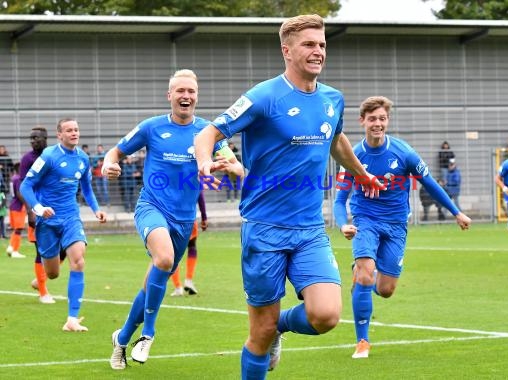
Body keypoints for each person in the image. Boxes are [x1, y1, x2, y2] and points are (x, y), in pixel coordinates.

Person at [194, 14, 380, 379]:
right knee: (258, 334)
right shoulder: (264, 96)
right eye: (309, 44)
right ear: (287, 50)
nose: (318, 51)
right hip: (264, 230)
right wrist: (203, 160)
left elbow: (336, 140)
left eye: (322, 45)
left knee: (326, 316)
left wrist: (362, 173)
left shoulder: (333, 99)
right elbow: (210, 132)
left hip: (309, 229)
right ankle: (270, 329)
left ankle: (281, 324)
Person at [104, 69, 243, 370]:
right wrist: (108, 165)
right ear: (170, 96)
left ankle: (123, 337)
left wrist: (230, 167)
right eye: (180, 91)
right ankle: (148, 335)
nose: (186, 96)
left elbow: (235, 165)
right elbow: (115, 152)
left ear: (197, 96)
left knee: (151, 285)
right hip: (151, 207)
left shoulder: (208, 131)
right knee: (164, 259)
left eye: (191, 91)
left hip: (183, 219)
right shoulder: (152, 127)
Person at [334, 96, 472, 359]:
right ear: (362, 121)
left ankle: (364, 274)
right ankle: (362, 341)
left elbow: (430, 183)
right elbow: (340, 200)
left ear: (388, 121)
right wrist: (343, 224)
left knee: (385, 290)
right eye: (372, 119)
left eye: (382, 119)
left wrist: (456, 212)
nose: (377, 124)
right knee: (365, 274)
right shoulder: (353, 157)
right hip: (366, 220)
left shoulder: (404, 152)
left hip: (397, 224)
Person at [20, 118, 107, 331]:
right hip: (47, 220)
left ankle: (72, 319)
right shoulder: (49, 156)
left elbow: (86, 187)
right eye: (69, 130)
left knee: (78, 260)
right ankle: (42, 279)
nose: (74, 133)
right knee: (53, 273)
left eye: (76, 129)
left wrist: (96, 209)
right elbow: (26, 186)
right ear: (59, 135)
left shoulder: (83, 158)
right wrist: (39, 209)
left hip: (71, 217)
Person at [20, 127, 64, 304]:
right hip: (37, 211)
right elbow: (23, 187)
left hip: (58, 209)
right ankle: (43, 292)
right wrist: (31, 211)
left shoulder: (52, 155)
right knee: (41, 251)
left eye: (36, 138)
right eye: (31, 138)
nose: (33, 141)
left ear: (46, 138)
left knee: (65, 248)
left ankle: (41, 278)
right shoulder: (27, 159)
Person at [170, 191, 207, 296]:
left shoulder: (170, 176)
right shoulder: (193, 176)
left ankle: (178, 287)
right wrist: (204, 217)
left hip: (173, 218)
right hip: (189, 218)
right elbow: (200, 196)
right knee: (192, 246)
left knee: (172, 251)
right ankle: (188, 280)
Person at [7, 163, 26, 258]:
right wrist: (27, 204)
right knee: (19, 228)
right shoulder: (18, 178)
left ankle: (10, 247)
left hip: (13, 205)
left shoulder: (13, 178)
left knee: (16, 229)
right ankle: (15, 251)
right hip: (18, 206)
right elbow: (19, 193)